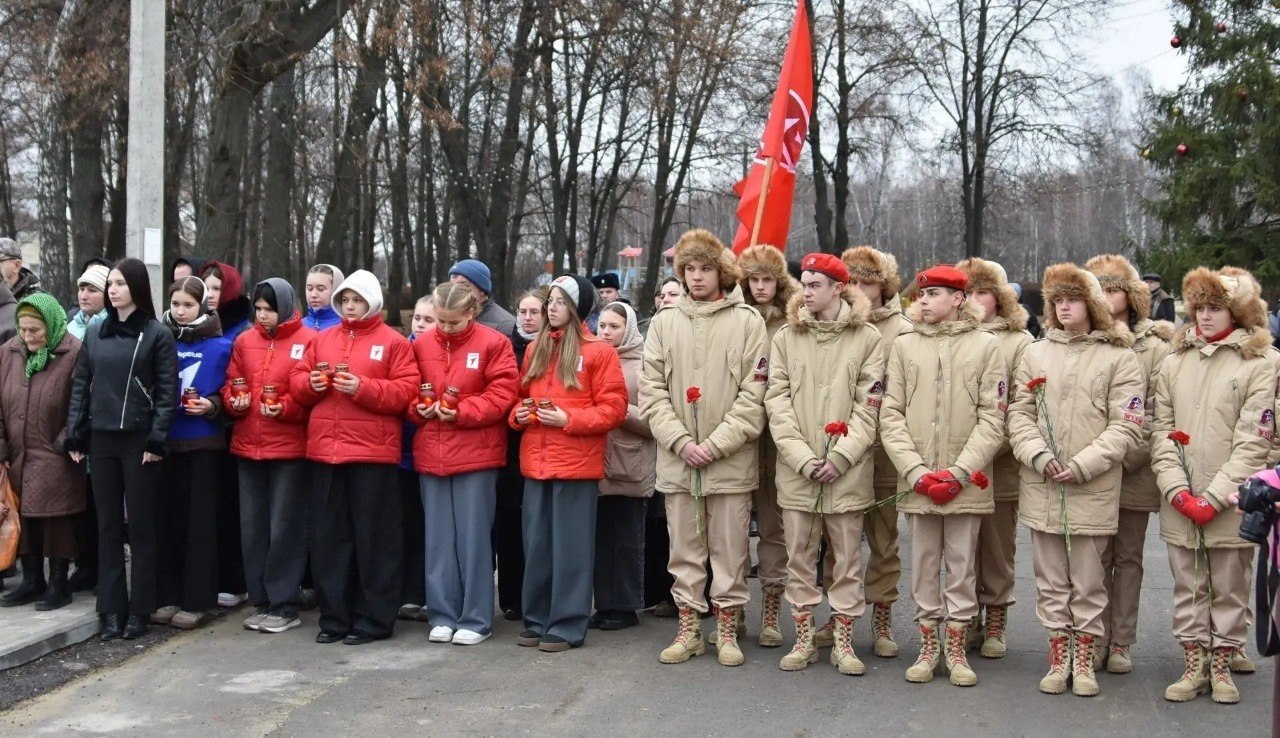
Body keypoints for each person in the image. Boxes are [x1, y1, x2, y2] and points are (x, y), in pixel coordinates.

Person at [1007, 263, 1145, 697]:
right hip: (1043, 482)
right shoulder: (1034, 353)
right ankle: (1058, 656)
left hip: (1092, 485)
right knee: (1050, 579)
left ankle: (1083, 658)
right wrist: (1038, 454)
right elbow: (1019, 413)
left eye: (1073, 300)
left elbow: (1128, 424)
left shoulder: (1120, 358)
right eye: (1057, 301)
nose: (1064, 307)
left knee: (1087, 579)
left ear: (1093, 306)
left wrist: (1084, 463)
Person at [640, 229, 768, 667]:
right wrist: (680, 441)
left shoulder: (748, 322)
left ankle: (727, 629)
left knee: (730, 550)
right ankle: (689, 628)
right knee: (685, 550)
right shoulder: (663, 322)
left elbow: (756, 395)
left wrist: (715, 444)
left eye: (705, 269)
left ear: (722, 273)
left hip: (728, 462)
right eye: (689, 269)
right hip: (679, 463)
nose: (696, 278)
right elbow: (651, 390)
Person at [1151, 266, 1277, 705]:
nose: (1204, 317)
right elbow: (1160, 430)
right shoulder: (1174, 362)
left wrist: (1217, 493)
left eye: (1215, 308)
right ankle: (1194, 662)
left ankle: (1222, 662)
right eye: (1199, 308)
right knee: (1188, 583)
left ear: (1237, 312)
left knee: (1228, 582)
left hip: (1230, 498)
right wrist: (1177, 489)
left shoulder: (1262, 362)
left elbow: (1254, 438)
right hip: (1181, 495)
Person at [880, 265, 1005, 688]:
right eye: (920, 294)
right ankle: (927, 644)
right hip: (919, 481)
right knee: (924, 563)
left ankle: (956, 645)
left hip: (964, 482)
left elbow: (993, 418)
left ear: (957, 299)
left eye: (933, 294)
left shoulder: (987, 347)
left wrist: (959, 471)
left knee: (962, 563)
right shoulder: (903, 346)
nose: (923, 301)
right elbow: (890, 414)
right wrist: (915, 471)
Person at [765, 253, 883, 674]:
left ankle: (844, 642)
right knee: (799, 555)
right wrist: (802, 457)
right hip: (799, 471)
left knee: (847, 558)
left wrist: (841, 456)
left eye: (815, 284)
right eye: (804, 283)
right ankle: (802, 640)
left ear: (838, 288)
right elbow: (776, 403)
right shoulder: (785, 338)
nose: (806, 292)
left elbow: (870, 406)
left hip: (847, 473)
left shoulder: (867, 338)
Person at [290, 270, 417, 645]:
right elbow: (297, 380)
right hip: (326, 453)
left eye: (357, 300)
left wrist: (363, 387)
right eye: (345, 300)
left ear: (372, 302)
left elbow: (406, 392)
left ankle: (375, 618)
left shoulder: (394, 342)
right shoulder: (322, 339)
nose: (350, 307)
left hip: (371, 455)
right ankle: (335, 617)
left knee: (374, 539)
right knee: (330, 539)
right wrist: (309, 385)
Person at [511, 274, 626, 652]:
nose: (552, 308)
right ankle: (537, 618)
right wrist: (521, 414)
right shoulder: (535, 349)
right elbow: (519, 400)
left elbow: (613, 409)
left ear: (578, 308)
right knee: (538, 545)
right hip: (536, 463)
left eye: (560, 301)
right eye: (550, 301)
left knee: (571, 549)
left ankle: (567, 624)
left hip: (576, 464)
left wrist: (569, 421)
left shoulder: (599, 352)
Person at [66, 258, 177, 641]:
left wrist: (157, 439)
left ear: (136, 287)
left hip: (139, 440)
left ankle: (141, 608)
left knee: (142, 526)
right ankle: (111, 607)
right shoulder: (95, 332)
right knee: (108, 525)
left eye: (119, 283)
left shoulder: (157, 334)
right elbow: (81, 384)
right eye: (109, 283)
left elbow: (167, 393)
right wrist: (76, 434)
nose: (112, 290)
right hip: (102, 438)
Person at [411, 282, 518, 645]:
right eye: (439, 321)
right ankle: (442, 613)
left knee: (473, 539)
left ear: (471, 313)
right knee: (438, 539)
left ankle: (475, 617)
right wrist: (418, 408)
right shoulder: (422, 343)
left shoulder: (494, 343)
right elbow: (410, 390)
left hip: (477, 453)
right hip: (432, 451)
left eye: (452, 323)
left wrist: (460, 411)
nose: (443, 328)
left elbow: (503, 394)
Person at [1085, 254, 1175, 675]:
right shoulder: (1087, 339)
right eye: (1099, 289)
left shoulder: (1155, 348)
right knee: (1094, 557)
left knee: (1129, 557)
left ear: (1133, 297)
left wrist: (1122, 458)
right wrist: (1093, 458)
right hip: (1093, 468)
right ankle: (1093, 636)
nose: (1107, 297)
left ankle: (1121, 639)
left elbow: (1156, 412)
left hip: (1134, 470)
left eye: (1115, 289)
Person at [224, 278, 316, 634]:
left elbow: (310, 393)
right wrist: (236, 401)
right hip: (249, 445)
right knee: (253, 527)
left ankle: (284, 603)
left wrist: (287, 408)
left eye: (269, 309)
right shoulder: (245, 341)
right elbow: (233, 381)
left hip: (290, 448)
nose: (263, 317)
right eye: (258, 310)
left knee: (285, 527)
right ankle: (260, 599)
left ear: (286, 307)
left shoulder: (308, 340)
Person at [956, 257, 1033, 659]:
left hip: (998, 466)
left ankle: (996, 618)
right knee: (961, 548)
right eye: (966, 292)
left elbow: (1018, 405)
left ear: (1000, 298)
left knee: (998, 546)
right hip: (956, 464)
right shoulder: (950, 335)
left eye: (982, 292)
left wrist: (982, 450)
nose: (974, 299)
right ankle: (965, 616)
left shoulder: (1018, 342)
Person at [839, 245, 912, 657]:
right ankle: (840, 618)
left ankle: (882, 620)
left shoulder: (905, 328)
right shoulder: (842, 324)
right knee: (839, 541)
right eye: (853, 282)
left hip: (886, 450)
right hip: (846, 445)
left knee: (884, 539)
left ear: (885, 285)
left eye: (869, 282)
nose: (861, 291)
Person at [153, 277, 233, 630]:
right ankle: (168, 593)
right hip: (166, 443)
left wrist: (212, 404)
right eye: (176, 304)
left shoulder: (221, 345)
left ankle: (198, 599)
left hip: (203, 445)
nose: (181, 311)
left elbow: (234, 391)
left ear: (202, 306)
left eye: (188, 304)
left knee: (199, 525)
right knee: (168, 522)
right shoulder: (161, 339)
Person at [0, 294, 85, 611]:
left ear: (51, 325)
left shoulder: (73, 351)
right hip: (18, 451)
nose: (28, 336)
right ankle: (32, 581)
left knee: (55, 521)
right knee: (24, 518)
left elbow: (80, 403)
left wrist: (64, 441)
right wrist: (2, 445)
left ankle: (59, 585)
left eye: (35, 329)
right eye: (23, 329)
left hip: (55, 451)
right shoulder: (8, 353)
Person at [736, 244, 799, 648]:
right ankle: (734, 609)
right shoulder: (734, 317)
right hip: (738, 436)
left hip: (778, 440)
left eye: (767, 279)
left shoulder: (792, 324)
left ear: (779, 282)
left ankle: (771, 611)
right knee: (733, 529)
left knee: (775, 528)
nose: (760, 287)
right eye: (753, 279)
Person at [592, 301, 654, 631]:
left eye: (614, 326)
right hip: (597, 461)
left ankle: (626, 606)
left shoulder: (643, 365)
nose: (606, 332)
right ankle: (604, 605)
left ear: (628, 329)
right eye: (602, 325)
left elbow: (653, 420)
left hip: (631, 463)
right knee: (602, 538)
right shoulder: (593, 358)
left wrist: (619, 410)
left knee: (627, 538)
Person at [200, 260, 252, 607]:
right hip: (203, 428)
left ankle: (236, 579)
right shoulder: (198, 323)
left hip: (233, 427)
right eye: (206, 288)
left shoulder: (241, 330)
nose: (211, 295)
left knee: (232, 508)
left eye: (217, 288)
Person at [496, 289, 546, 621]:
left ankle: (538, 595)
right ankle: (511, 597)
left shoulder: (552, 348)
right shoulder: (505, 345)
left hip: (541, 443)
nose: (527, 317)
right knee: (509, 524)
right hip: (507, 446)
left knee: (537, 526)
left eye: (534, 311)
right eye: (522, 311)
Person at [65, 263, 110, 593]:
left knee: (101, 502)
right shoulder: (70, 327)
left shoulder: (110, 327)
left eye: (92, 289)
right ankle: (84, 563)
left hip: (103, 424)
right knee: (78, 500)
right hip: (75, 421)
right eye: (81, 288)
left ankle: (102, 565)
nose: (84, 294)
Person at [397, 296, 435, 623]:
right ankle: (407, 592)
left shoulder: (435, 355)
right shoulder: (401, 350)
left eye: (428, 319)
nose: (420, 324)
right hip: (400, 453)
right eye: (418, 318)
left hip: (428, 452)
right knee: (404, 528)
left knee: (427, 529)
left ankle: (425, 593)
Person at [449, 259, 516, 336]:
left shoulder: (504, 325)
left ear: (482, 290)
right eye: (452, 286)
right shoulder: (446, 318)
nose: (456, 291)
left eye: (464, 285)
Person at [68, 264, 109, 341]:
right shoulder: (72, 324)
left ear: (108, 295)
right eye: (82, 289)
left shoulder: (113, 329)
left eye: (92, 290)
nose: (83, 297)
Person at [302, 264, 345, 332]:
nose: (313, 295)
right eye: (310, 289)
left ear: (336, 290)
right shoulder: (297, 327)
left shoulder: (346, 328)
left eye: (321, 289)